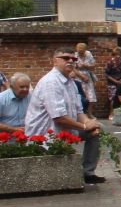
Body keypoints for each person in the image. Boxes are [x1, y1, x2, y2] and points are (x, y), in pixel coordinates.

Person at [25, 48, 105, 184]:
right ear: (55, 61)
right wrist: (85, 126)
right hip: (45, 134)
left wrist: (90, 124)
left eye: (73, 59)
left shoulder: (71, 83)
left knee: (96, 131)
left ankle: (87, 172)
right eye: (66, 58)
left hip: (63, 130)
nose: (70, 61)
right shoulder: (51, 82)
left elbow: (79, 111)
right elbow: (58, 117)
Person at [73, 43, 97, 111]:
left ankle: (90, 113)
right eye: (79, 52)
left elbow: (94, 66)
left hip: (88, 76)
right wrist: (82, 77)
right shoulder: (74, 56)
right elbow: (73, 68)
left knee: (91, 95)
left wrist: (86, 66)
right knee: (80, 95)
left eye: (82, 52)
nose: (81, 53)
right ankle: (81, 113)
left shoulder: (88, 54)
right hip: (78, 76)